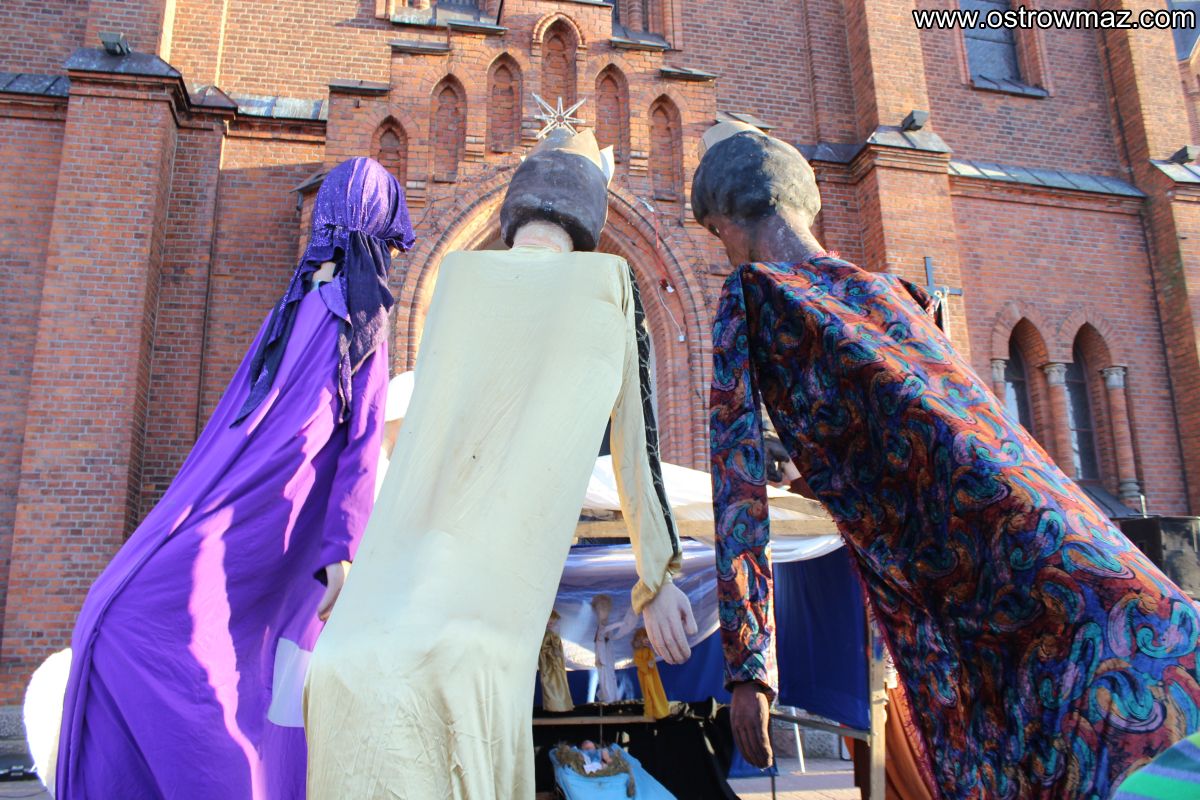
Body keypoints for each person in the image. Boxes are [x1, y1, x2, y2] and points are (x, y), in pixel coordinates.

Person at [696, 121, 1200, 798]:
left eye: (716, 234)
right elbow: (933, 438)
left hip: (1005, 625)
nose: (724, 251)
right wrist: (830, 479)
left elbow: (738, 491)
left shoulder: (754, 293)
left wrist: (749, 665)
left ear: (728, 218)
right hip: (1114, 584)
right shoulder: (899, 294)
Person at [304, 127, 697, 798]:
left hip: (372, 619)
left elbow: (425, 431)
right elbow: (640, 443)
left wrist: (351, 557)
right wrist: (655, 577)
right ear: (591, 211)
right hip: (486, 618)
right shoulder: (611, 283)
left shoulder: (456, 275)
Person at [52, 156, 412, 799]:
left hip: (271, 530)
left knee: (234, 675)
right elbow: (264, 430)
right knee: (137, 631)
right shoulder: (301, 316)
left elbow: (356, 444)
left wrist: (343, 549)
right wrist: (341, 549)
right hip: (245, 516)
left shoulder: (354, 318)